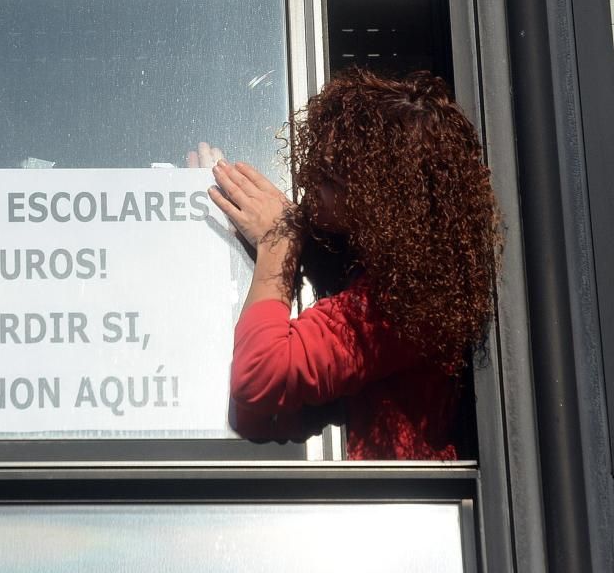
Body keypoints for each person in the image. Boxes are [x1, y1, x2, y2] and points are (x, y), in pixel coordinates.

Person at [208, 68, 500, 460]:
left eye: (328, 178)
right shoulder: (377, 269)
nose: (307, 182)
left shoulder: (400, 307)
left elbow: (259, 375)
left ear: (378, 199)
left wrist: (278, 243)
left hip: (388, 512)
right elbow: (259, 416)